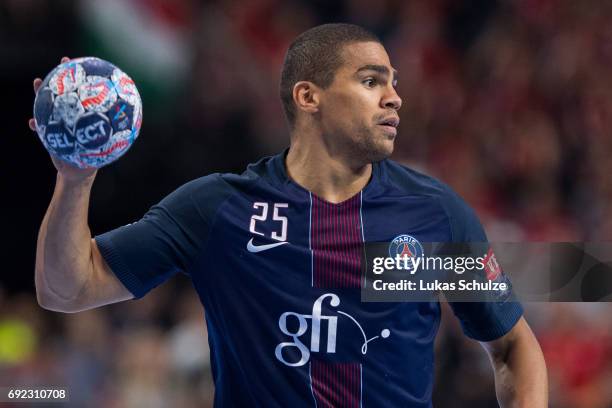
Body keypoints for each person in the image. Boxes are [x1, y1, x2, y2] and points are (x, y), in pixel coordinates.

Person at [32, 23, 548, 407]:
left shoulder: (433, 217)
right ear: (309, 97)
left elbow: (512, 346)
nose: (395, 97)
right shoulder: (218, 210)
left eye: (393, 83)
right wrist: (76, 178)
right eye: (372, 81)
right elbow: (67, 289)